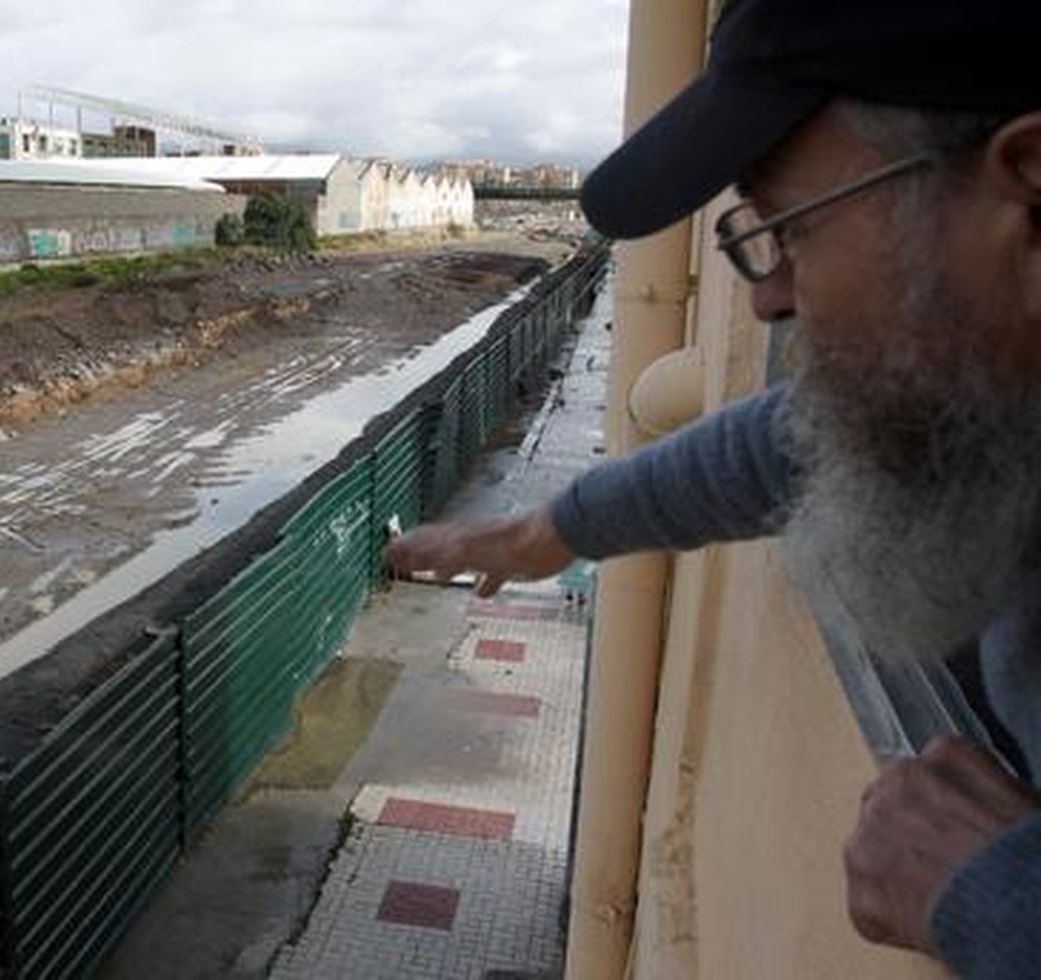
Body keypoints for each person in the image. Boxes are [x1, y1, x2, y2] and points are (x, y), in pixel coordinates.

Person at [387, 1, 1041, 977]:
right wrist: (543, 533)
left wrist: (1000, 899)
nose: (767, 296)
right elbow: (805, 433)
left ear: (1025, 189)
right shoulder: (989, 382)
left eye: (791, 227)